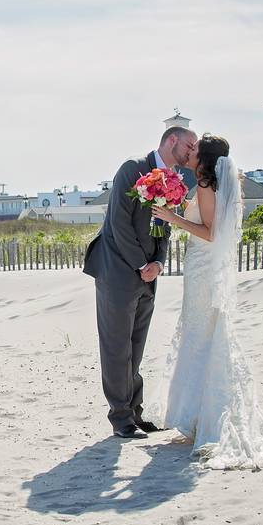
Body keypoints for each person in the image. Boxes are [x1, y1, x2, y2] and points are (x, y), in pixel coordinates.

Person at [148, 133, 263, 470]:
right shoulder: (214, 183)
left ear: (205, 157)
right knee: (203, 335)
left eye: (196, 148)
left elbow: (209, 232)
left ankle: (203, 418)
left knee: (201, 335)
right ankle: (200, 415)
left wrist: (170, 217)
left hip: (203, 270)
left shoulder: (205, 184)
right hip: (203, 269)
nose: (191, 151)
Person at [83, 126, 198, 439]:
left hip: (148, 275)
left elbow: (164, 224)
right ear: (171, 139)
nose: (192, 151)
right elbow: (118, 222)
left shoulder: (177, 180)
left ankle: (135, 412)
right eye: (189, 144)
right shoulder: (133, 168)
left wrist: (159, 262)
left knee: (136, 345)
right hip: (117, 269)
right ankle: (120, 418)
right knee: (116, 346)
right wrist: (141, 263)